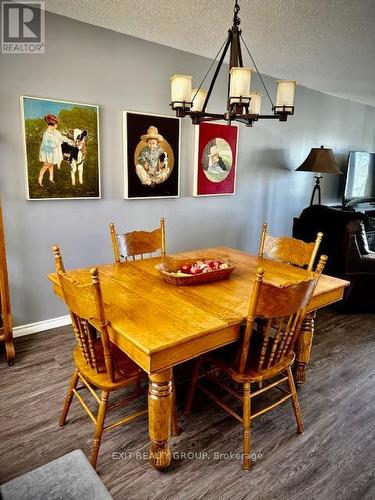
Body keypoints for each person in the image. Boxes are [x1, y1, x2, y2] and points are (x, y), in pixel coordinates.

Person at [38, 114, 65, 186]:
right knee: (46, 166)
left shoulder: (56, 132)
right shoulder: (46, 134)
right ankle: (40, 180)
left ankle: (51, 178)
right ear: (52, 125)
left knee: (51, 165)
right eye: (56, 124)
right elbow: (46, 143)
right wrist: (54, 145)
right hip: (47, 152)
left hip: (53, 152)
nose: (57, 125)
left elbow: (62, 138)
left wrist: (71, 141)